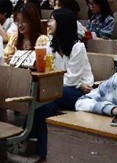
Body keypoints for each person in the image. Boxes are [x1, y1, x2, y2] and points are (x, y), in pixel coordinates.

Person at [32, 9, 94, 162]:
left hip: (80, 94)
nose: (48, 23)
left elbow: (71, 80)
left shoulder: (78, 47)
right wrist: (76, 83)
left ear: (63, 24)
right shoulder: (50, 46)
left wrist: (77, 84)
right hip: (60, 91)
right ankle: (44, 154)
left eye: (52, 20)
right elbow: (51, 72)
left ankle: (28, 131)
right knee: (45, 106)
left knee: (46, 94)